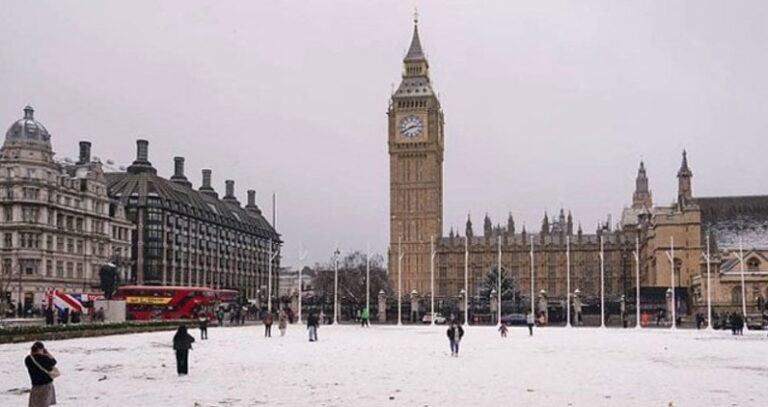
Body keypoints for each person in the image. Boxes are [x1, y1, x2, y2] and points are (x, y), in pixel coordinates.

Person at [25, 341, 58, 407]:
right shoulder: (45, 359)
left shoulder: (28, 359)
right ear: (41, 349)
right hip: (46, 385)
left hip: (35, 386)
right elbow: (53, 362)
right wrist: (47, 354)